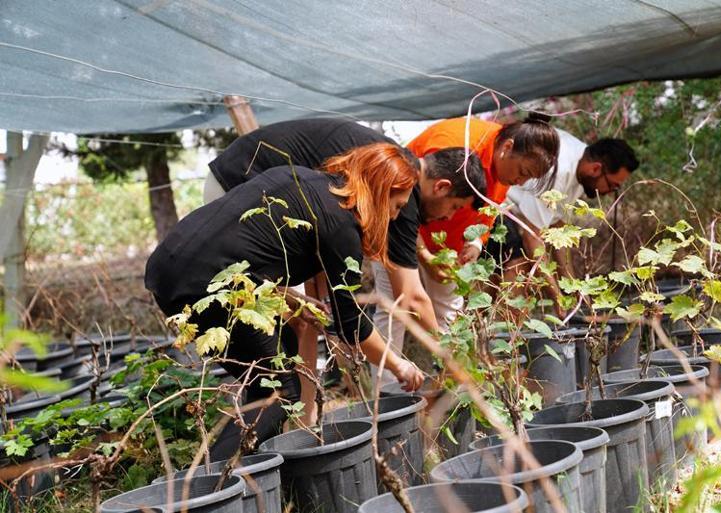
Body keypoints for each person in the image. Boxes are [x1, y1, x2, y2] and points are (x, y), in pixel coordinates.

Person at [145, 143, 425, 459]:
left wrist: (292, 298)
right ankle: (209, 484)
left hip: (169, 265)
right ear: (379, 191)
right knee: (277, 392)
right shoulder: (341, 224)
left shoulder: (301, 178)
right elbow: (350, 324)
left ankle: (255, 468)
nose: (394, 216)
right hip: (196, 284)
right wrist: (398, 364)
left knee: (281, 355)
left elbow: (246, 250)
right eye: (397, 205)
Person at [202, 118, 487, 386]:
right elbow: (410, 296)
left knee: (309, 316)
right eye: (455, 207)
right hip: (238, 186)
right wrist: (452, 357)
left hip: (246, 183)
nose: (449, 218)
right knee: (295, 321)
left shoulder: (396, 170)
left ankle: (307, 421)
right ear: (441, 186)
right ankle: (285, 414)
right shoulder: (403, 189)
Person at [381, 114, 559, 345]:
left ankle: (450, 378)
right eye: (523, 172)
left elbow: (489, 208)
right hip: (396, 228)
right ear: (507, 147)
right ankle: (388, 379)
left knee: (451, 318)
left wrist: (476, 242)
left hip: (447, 250)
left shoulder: (504, 170)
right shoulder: (455, 145)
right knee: (395, 307)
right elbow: (401, 207)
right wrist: (423, 255)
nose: (520, 182)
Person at [502, 133, 639, 304]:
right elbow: (532, 237)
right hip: (496, 200)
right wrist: (557, 297)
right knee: (520, 267)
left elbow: (557, 227)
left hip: (510, 209)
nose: (610, 192)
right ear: (596, 169)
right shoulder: (558, 171)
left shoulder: (582, 162)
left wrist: (574, 289)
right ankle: (501, 326)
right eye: (612, 185)